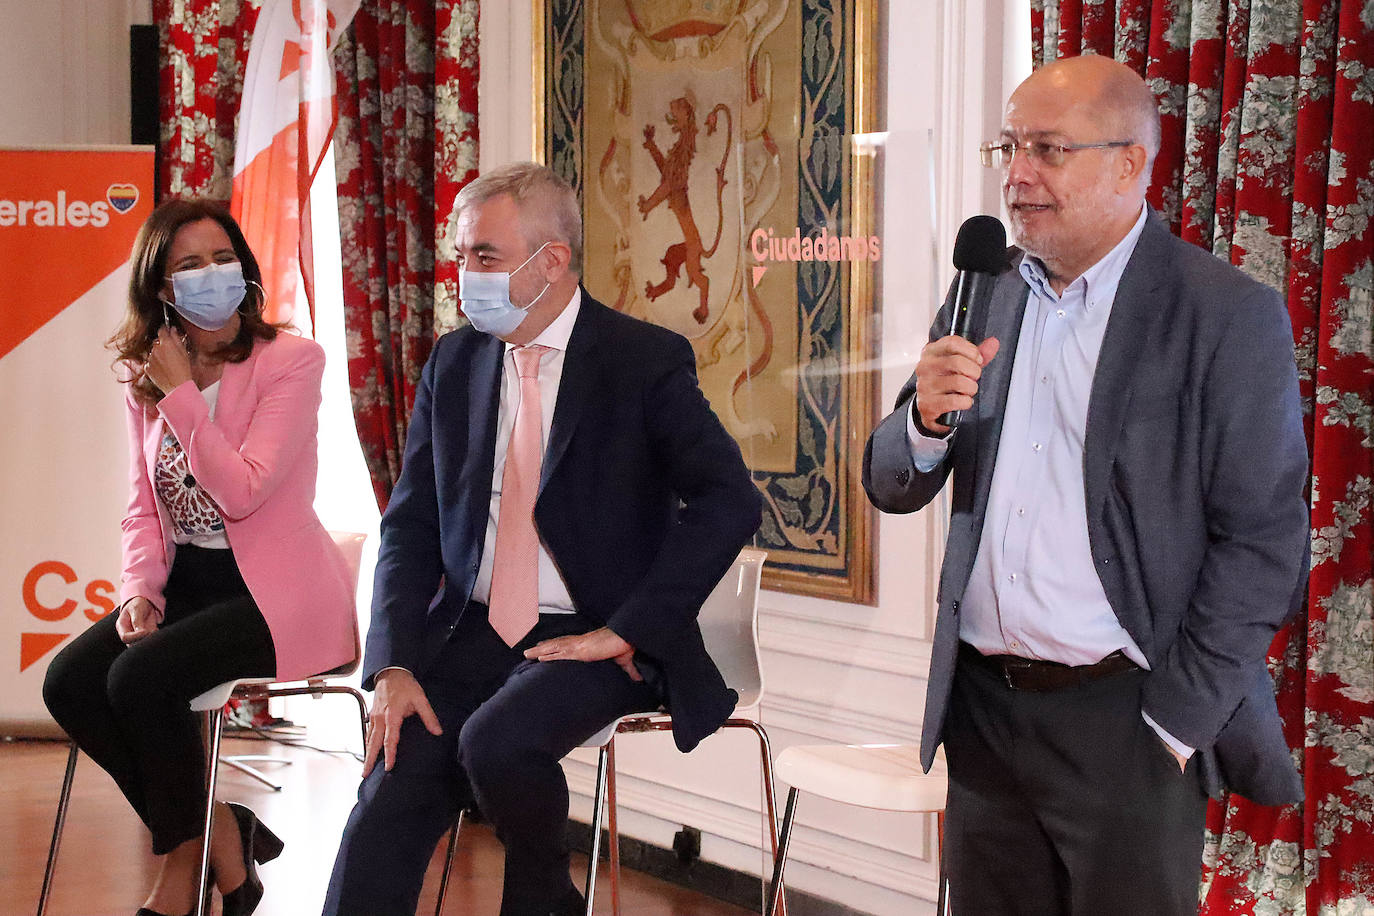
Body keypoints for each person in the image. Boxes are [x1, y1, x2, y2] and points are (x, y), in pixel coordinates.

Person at [862, 55, 1308, 915]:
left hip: (1127, 721)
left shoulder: (1220, 314)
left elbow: (1264, 542)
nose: (1017, 174)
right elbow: (891, 480)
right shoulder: (983, 290)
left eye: (1048, 150)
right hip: (987, 717)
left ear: (1130, 164)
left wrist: (1177, 721)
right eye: (1010, 146)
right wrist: (922, 421)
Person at [322, 162, 760, 916]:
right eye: (460, 256)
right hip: (470, 630)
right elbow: (411, 524)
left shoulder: (641, 361)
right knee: (394, 782)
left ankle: (545, 895)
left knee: (497, 743)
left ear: (549, 262)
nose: (464, 275)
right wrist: (391, 662)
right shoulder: (454, 363)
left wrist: (628, 627)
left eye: (483, 257)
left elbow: (730, 501)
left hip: (600, 636)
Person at [42, 199, 357, 916]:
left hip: (277, 594)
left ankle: (183, 878)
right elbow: (142, 505)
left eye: (223, 259)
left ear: (244, 270)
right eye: (189, 265)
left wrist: (183, 395)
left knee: (141, 681)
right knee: (70, 683)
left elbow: (244, 490)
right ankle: (225, 834)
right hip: (192, 582)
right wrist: (138, 591)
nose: (212, 275)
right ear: (161, 288)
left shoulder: (292, 361)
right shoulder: (144, 375)